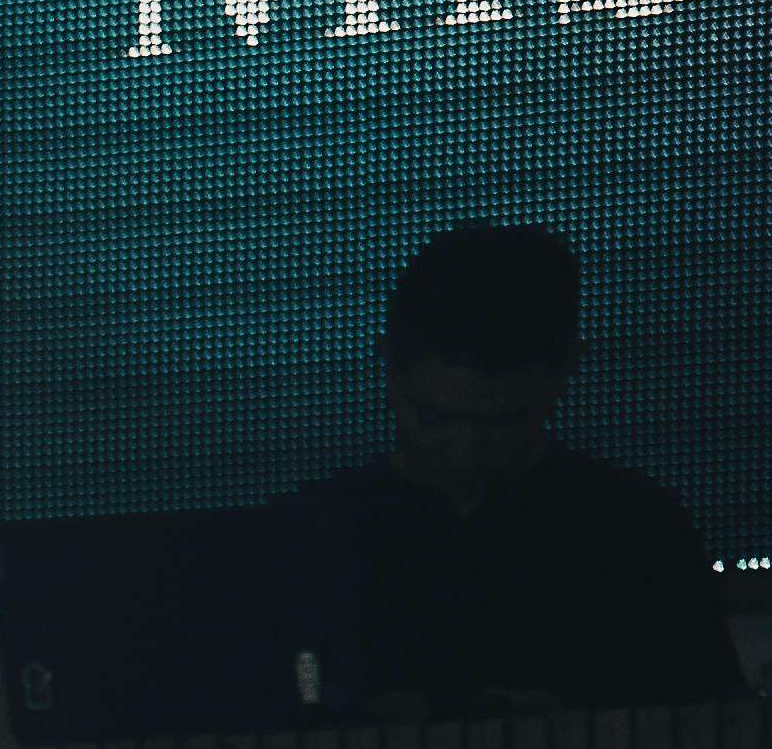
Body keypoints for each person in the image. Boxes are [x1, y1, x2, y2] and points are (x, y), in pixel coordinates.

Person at [272, 221, 749, 720]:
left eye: (501, 423)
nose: (464, 452)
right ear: (388, 364)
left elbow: (708, 725)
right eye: (434, 419)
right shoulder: (311, 534)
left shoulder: (641, 529)